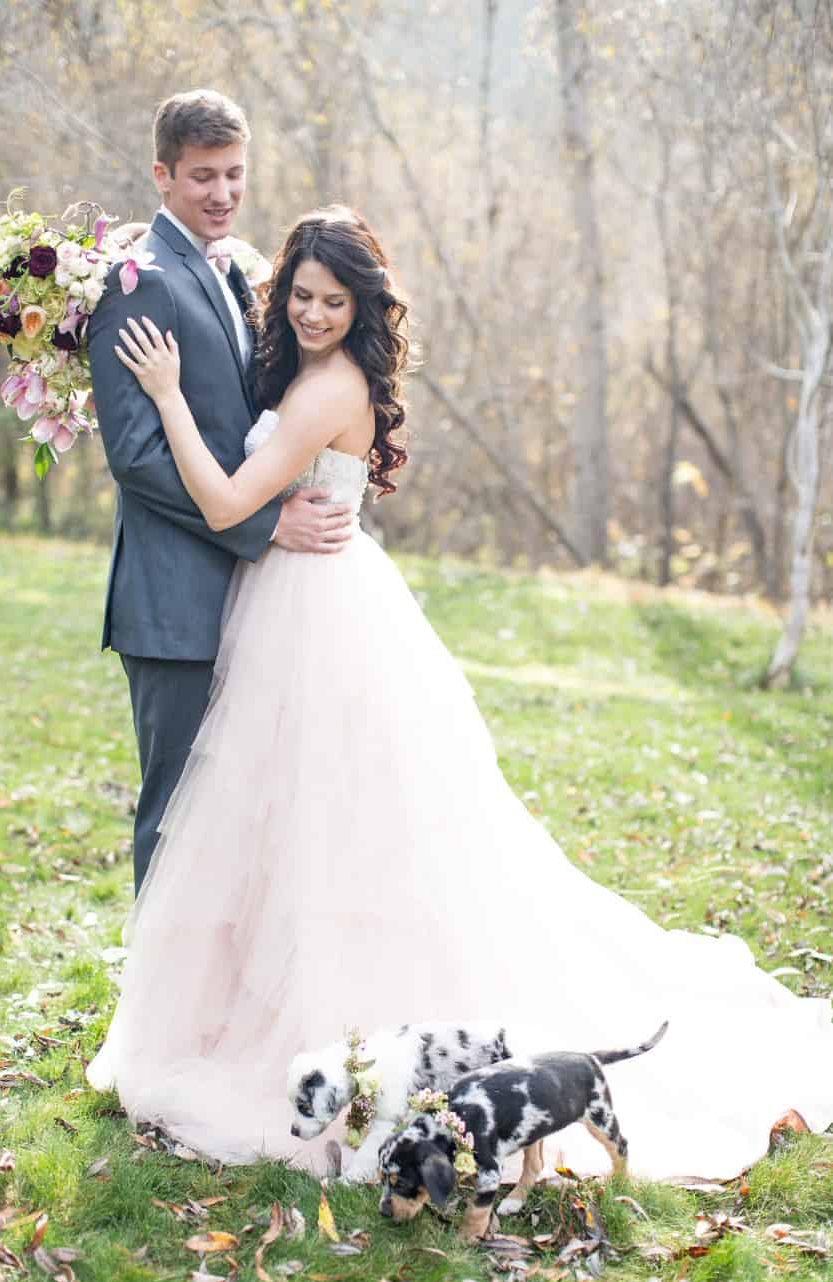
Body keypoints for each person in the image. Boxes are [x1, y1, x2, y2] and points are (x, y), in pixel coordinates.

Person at [86, 202, 833, 1183]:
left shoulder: (327, 389)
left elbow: (228, 501)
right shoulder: (307, 371)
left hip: (316, 616)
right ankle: (259, 1011)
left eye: (333, 300)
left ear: (363, 307)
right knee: (291, 824)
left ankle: (336, 1034)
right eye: (301, 295)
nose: (313, 313)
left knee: (331, 825)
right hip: (300, 602)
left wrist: (168, 394)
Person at [88, 89, 353, 895]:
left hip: (246, 604)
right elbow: (135, 455)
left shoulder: (233, 267)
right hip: (173, 604)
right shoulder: (140, 281)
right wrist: (266, 524)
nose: (222, 193)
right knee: (176, 815)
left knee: (236, 818)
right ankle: (152, 1015)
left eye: (235, 173)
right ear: (162, 175)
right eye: (203, 176)